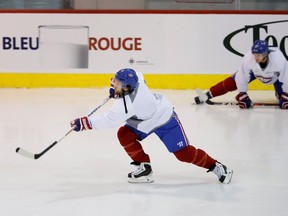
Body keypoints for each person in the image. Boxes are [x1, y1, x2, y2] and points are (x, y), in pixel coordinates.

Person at [70, 68, 233, 184]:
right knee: (124, 134)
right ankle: (144, 167)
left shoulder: (126, 105)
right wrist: (119, 91)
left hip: (164, 118)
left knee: (183, 154)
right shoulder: (137, 79)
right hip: (143, 120)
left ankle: (216, 166)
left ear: (127, 88)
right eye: (115, 81)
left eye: (117, 84)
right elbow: (139, 76)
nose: (113, 85)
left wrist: (84, 123)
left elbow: (108, 120)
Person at [194, 39, 288, 109]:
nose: (256, 58)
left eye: (258, 55)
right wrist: (242, 94)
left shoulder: (278, 59)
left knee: (284, 98)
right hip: (254, 72)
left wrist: (286, 94)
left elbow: (286, 77)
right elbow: (241, 77)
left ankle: (279, 94)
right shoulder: (248, 58)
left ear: (266, 54)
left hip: (276, 76)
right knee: (231, 83)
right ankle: (208, 94)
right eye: (254, 54)